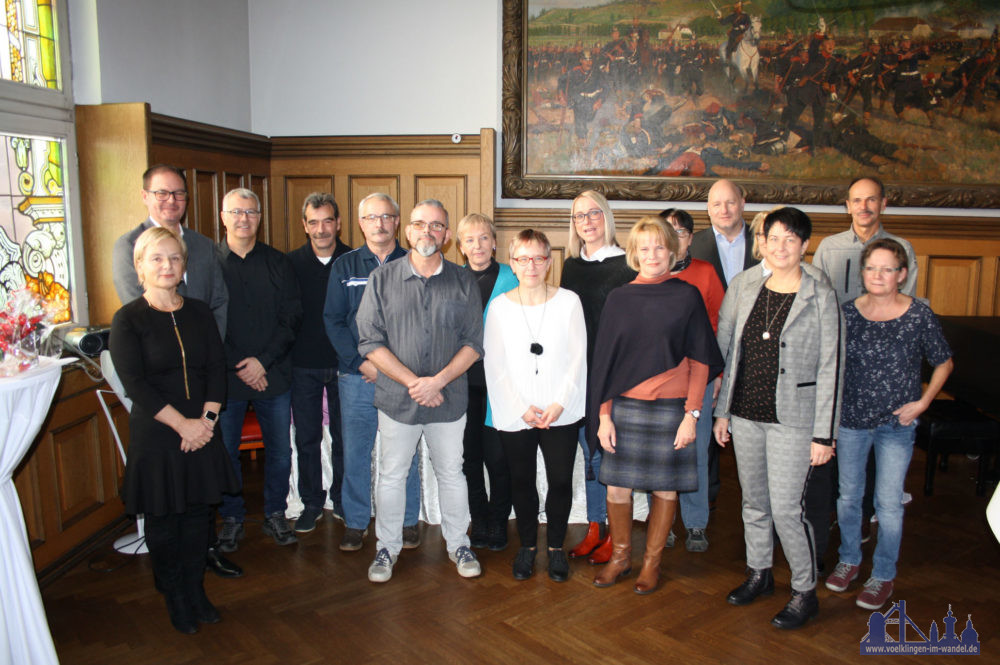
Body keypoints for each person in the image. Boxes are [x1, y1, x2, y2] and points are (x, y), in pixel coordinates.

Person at [713, 207, 842, 630]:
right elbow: (728, 349)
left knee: (789, 508)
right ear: (762, 242)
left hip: (795, 420)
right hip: (746, 414)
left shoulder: (820, 293)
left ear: (805, 245)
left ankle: (805, 591)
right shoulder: (746, 285)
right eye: (774, 238)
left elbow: (831, 366)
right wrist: (722, 413)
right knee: (754, 502)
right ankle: (759, 573)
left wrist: (824, 435)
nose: (781, 246)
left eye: (792, 239)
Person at [111, 164, 239, 580]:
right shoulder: (129, 311)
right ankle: (176, 596)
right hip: (161, 422)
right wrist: (184, 425)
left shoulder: (201, 257)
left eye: (179, 194)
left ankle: (198, 585)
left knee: (201, 511)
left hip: (201, 407)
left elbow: (217, 347)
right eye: (162, 193)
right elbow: (136, 379)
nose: (166, 266)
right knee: (167, 520)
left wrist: (205, 419)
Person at [588, 217, 723, 594]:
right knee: (617, 489)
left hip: (671, 410)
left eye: (660, 247)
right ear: (634, 253)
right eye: (644, 248)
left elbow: (701, 362)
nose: (652, 255)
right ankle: (619, 558)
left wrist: (691, 415)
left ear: (673, 251)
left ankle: (651, 564)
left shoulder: (686, 296)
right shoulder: (619, 299)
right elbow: (606, 366)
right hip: (625, 409)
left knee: (666, 489)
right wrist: (603, 417)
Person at [356, 199, 484, 583]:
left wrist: (437, 381)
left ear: (446, 236)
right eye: (419, 224)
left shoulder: (464, 280)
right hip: (398, 399)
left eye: (436, 225)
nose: (427, 231)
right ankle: (387, 547)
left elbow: (474, 343)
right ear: (407, 231)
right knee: (392, 475)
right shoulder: (382, 279)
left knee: (452, 473)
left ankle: (458, 542)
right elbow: (368, 340)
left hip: (449, 398)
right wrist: (415, 383)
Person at [824, 238, 952, 611]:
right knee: (848, 497)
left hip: (897, 425)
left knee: (888, 503)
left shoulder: (918, 315)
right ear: (862, 273)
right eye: (871, 268)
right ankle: (849, 559)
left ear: (902, 274)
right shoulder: (846, 313)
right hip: (850, 422)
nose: (878, 275)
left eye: (887, 268)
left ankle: (883, 574)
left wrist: (924, 403)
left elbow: (944, 361)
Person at [484, 229, 586, 582]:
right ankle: (527, 546)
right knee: (522, 481)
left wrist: (559, 404)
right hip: (517, 412)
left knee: (559, 481)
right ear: (512, 263)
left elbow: (578, 359)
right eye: (523, 258)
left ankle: (556, 548)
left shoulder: (569, 302)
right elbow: (494, 365)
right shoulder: (499, 307)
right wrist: (521, 407)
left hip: (561, 410)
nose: (531, 265)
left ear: (549, 261)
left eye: (538, 258)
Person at [323, 193, 422, 553]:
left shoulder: (415, 262)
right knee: (355, 452)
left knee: (403, 452)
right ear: (360, 223)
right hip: (356, 377)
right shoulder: (345, 266)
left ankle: (408, 521)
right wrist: (361, 363)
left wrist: (395, 370)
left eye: (386, 217)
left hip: (400, 378)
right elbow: (333, 321)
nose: (379, 224)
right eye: (370, 218)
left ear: (397, 222)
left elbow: (419, 322)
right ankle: (355, 522)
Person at [216, 188, 303, 551]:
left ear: (260, 217)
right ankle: (232, 517)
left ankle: (275, 513)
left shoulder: (278, 262)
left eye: (250, 212)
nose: (243, 219)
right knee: (225, 450)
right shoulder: (207, 263)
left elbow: (291, 318)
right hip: (225, 378)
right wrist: (241, 364)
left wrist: (261, 362)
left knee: (281, 451)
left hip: (273, 373)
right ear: (223, 216)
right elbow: (206, 322)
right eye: (236, 212)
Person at [560, 190, 637, 565]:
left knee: (611, 454)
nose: (587, 222)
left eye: (593, 214)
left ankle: (616, 534)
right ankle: (594, 526)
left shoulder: (628, 263)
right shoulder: (571, 266)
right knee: (589, 454)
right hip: (579, 375)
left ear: (606, 217)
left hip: (615, 375)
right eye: (579, 216)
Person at [690, 179, 760, 513]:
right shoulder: (695, 244)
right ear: (708, 209)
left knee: (750, 421)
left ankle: (756, 496)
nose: (724, 210)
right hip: (712, 344)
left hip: (757, 348)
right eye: (716, 204)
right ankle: (710, 492)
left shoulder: (762, 241)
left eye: (730, 203)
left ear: (742, 203)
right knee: (708, 423)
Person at [658, 209, 725, 552]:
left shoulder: (706, 273)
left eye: (681, 233)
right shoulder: (649, 274)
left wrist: (718, 377)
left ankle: (696, 523)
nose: (673, 238)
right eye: (666, 232)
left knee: (697, 451)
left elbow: (720, 327)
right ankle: (663, 522)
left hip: (699, 379)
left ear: (690, 239)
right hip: (659, 382)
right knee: (663, 454)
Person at [287, 193, 352, 534]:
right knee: (307, 438)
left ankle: (342, 499)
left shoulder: (354, 260)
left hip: (345, 365)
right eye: (314, 222)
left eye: (328, 221)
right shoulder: (291, 263)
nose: (322, 229)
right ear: (305, 226)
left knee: (345, 437)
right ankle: (312, 502)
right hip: (303, 365)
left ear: (338, 223)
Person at [457, 213, 517, 551]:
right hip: (462, 384)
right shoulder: (452, 279)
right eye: (470, 239)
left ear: (494, 242)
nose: (478, 245)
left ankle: (498, 520)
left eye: (483, 238)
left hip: (500, 386)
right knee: (469, 458)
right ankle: (478, 518)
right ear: (460, 246)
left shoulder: (512, 277)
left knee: (498, 458)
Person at [812, 176, 918, 303]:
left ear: (883, 204)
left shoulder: (902, 248)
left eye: (871, 200)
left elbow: (906, 302)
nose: (863, 207)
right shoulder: (828, 247)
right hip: (837, 322)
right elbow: (816, 297)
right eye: (857, 200)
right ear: (848, 206)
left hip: (884, 322)